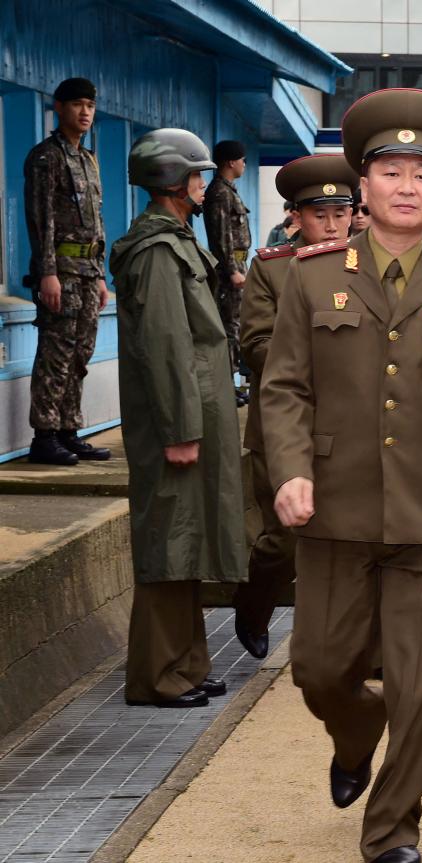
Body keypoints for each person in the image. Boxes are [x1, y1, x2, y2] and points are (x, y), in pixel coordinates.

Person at [261, 88, 422, 863]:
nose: (407, 186)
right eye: (391, 171)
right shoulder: (308, 278)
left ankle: (392, 828)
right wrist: (288, 469)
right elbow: (283, 388)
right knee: (317, 668)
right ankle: (354, 727)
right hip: (332, 509)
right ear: (362, 185)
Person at [110, 129, 246, 708]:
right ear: (171, 181)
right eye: (195, 174)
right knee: (170, 541)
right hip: (180, 419)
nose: (203, 182)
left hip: (197, 411)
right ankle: (156, 675)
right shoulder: (158, 251)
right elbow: (166, 347)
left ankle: (186, 665)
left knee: (189, 539)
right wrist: (180, 431)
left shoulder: (176, 239)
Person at [235, 154, 357, 660]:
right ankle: (254, 603)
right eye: (318, 214)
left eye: (340, 212)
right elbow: (256, 344)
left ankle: (339, 644)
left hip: (353, 425)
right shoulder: (272, 268)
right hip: (287, 424)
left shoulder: (370, 264)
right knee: (284, 539)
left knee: (349, 536)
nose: (330, 225)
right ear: (297, 217)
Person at [23, 77, 111, 465]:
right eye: (77, 104)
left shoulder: (88, 159)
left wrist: (101, 273)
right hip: (61, 270)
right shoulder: (47, 157)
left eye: (90, 105)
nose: (85, 112)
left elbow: (98, 219)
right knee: (55, 352)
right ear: (58, 108)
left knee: (81, 354)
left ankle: (68, 431)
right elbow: (40, 219)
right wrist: (47, 272)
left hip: (88, 272)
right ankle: (44, 436)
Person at [203, 139, 252, 398]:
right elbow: (222, 236)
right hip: (228, 270)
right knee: (228, 326)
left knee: (236, 324)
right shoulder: (220, 193)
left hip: (238, 264)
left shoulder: (229, 190)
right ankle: (226, 384)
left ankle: (231, 381)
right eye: (242, 159)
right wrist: (232, 269)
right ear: (231, 162)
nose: (244, 164)